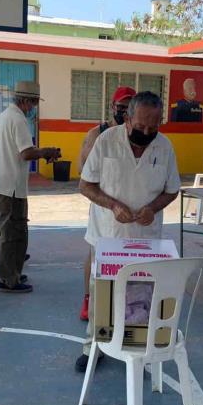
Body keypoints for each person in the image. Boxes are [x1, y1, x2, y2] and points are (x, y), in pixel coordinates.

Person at [76, 91, 181, 371]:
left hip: (146, 239)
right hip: (108, 236)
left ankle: (137, 351)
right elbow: (85, 185)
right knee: (103, 294)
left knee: (142, 297)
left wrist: (153, 207)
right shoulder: (106, 142)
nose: (147, 133)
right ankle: (93, 348)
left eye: (154, 127)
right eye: (141, 126)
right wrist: (112, 205)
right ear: (127, 118)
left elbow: (172, 190)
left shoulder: (164, 147)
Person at [0, 81, 62, 293]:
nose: (34, 108)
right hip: (10, 187)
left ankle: (11, 272)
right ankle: (10, 279)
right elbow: (26, 153)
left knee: (3, 232)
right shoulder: (18, 120)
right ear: (26, 101)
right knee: (14, 233)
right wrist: (47, 151)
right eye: (34, 103)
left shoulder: (4, 116)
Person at [77, 85, 136, 321]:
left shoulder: (139, 135)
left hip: (130, 211)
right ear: (113, 107)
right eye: (121, 106)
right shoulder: (97, 134)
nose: (124, 112)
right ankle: (89, 298)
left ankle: (125, 303)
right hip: (103, 206)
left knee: (128, 257)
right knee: (96, 253)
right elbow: (84, 172)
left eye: (129, 107)